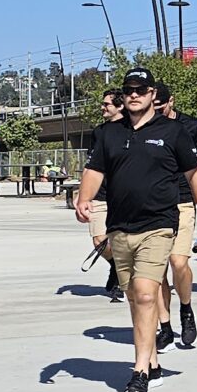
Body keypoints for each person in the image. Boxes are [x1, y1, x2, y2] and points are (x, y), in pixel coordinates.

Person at [74, 67, 197, 392]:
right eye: (129, 90)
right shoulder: (109, 133)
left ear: (154, 94)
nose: (134, 95)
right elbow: (94, 170)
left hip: (159, 224)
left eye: (141, 89)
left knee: (144, 294)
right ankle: (152, 358)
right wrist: (84, 198)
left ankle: (139, 371)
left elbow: (194, 175)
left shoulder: (173, 132)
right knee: (135, 298)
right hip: (120, 227)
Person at [151, 83, 197, 350]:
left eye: (161, 106)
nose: (156, 111)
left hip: (183, 201)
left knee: (178, 262)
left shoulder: (189, 126)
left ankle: (186, 308)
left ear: (170, 102)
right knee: (157, 269)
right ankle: (165, 325)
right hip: (152, 205)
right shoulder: (141, 127)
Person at [84, 89, 123, 299]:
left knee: (122, 240)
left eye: (107, 104)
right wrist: (83, 194)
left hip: (123, 194)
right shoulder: (99, 132)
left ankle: (120, 280)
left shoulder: (130, 129)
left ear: (120, 106)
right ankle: (115, 265)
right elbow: (90, 166)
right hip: (100, 194)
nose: (102, 107)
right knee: (100, 240)